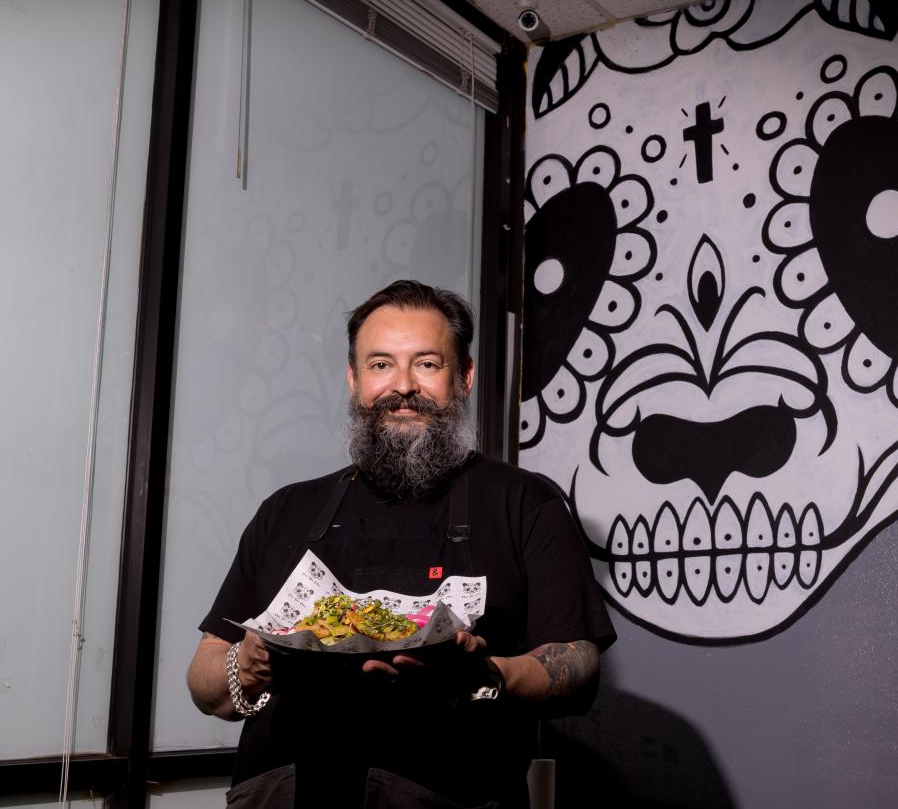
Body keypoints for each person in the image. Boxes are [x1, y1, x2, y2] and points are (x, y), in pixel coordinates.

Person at [187, 280, 615, 808]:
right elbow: (204, 676)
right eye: (381, 364)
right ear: (354, 379)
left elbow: (577, 660)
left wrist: (487, 675)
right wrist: (243, 666)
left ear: (464, 378)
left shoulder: (524, 503)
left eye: (428, 364)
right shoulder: (287, 510)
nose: (403, 385)